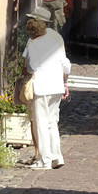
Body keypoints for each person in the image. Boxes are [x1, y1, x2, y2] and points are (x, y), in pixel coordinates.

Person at [22, 13, 70, 170]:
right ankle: (57, 155)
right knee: (51, 122)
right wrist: (64, 81)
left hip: (41, 87)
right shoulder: (54, 41)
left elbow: (31, 67)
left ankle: (45, 160)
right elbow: (66, 64)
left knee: (40, 123)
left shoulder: (33, 44)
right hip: (56, 86)